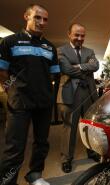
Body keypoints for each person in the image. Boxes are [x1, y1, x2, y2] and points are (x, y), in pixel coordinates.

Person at [0, 4, 60, 185]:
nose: (42, 22)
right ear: (26, 16)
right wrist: (12, 90)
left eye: (45, 19)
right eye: (37, 17)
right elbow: (2, 72)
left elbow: (54, 74)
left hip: (43, 102)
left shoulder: (50, 47)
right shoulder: (10, 42)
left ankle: (35, 174)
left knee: (41, 143)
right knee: (15, 148)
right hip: (19, 103)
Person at [56, 23, 99, 173]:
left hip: (88, 93)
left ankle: (92, 152)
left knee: (89, 126)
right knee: (69, 127)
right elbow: (66, 69)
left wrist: (78, 67)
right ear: (69, 34)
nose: (80, 38)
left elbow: (95, 66)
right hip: (70, 95)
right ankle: (66, 159)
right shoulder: (61, 50)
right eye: (76, 35)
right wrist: (85, 67)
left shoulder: (90, 51)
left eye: (82, 35)